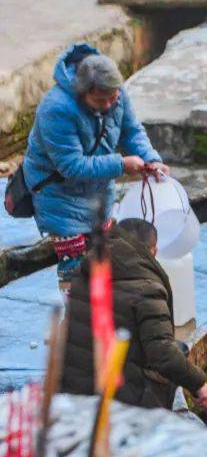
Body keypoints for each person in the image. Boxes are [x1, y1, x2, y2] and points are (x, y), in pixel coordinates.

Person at [20, 44, 168, 290]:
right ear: (82, 93)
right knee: (75, 270)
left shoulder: (115, 93)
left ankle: (99, 316)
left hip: (98, 193)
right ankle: (73, 319)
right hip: (59, 197)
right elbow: (72, 166)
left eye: (114, 98)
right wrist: (121, 164)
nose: (110, 104)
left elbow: (131, 131)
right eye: (101, 100)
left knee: (103, 258)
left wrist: (151, 158)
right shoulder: (55, 109)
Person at [61, 218, 207, 411]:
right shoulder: (148, 289)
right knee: (169, 363)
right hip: (119, 400)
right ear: (153, 251)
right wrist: (198, 384)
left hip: (74, 388)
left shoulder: (83, 271)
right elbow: (162, 354)